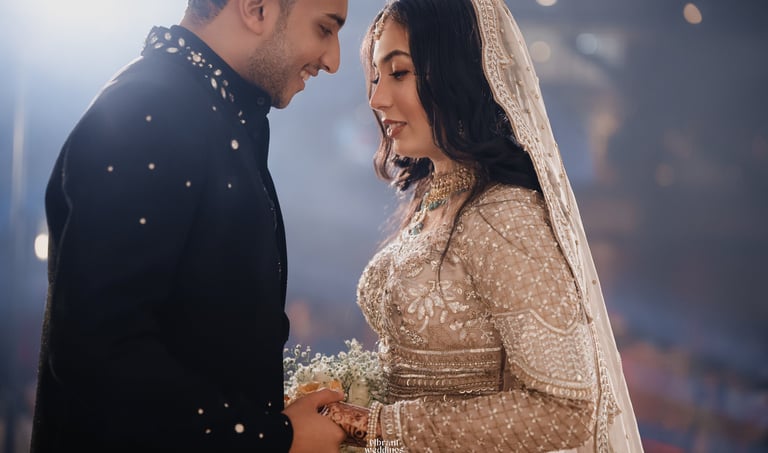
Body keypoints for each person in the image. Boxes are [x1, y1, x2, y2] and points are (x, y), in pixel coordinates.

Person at [324, 0, 645, 451]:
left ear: (457, 74)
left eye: (398, 73)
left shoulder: (504, 214)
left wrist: (375, 425)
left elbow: (568, 409)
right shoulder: (435, 199)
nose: (377, 99)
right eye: (376, 77)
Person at [31, 0, 348, 451]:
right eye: (324, 29)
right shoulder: (152, 108)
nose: (334, 60)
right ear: (257, 8)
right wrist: (275, 438)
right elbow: (99, 350)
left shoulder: (204, 108)